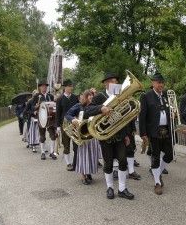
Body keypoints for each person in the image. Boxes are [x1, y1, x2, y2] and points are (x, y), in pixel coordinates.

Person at [83, 72, 134, 200]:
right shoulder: (99, 96)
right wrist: (101, 108)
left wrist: (127, 134)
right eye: (111, 81)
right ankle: (110, 187)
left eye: (116, 81)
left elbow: (125, 116)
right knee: (108, 162)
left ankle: (122, 188)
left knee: (123, 160)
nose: (114, 83)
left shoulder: (120, 95)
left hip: (120, 134)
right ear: (105, 83)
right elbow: (87, 111)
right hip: (105, 135)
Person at [139, 72, 173, 195]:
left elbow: (169, 110)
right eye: (158, 82)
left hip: (166, 130)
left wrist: (172, 114)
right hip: (153, 131)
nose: (161, 84)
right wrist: (143, 133)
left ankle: (157, 172)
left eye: (162, 82)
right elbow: (142, 116)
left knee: (169, 155)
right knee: (155, 156)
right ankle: (157, 182)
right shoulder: (146, 96)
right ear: (152, 83)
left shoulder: (166, 95)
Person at [65, 89, 101, 185]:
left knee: (92, 154)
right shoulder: (79, 106)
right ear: (85, 96)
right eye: (89, 95)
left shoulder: (94, 106)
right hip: (82, 134)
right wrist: (72, 119)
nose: (91, 96)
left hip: (92, 133)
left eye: (92, 95)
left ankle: (89, 172)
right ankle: (83, 176)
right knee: (83, 155)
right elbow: (67, 114)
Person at [56, 79, 79, 171]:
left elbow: (78, 109)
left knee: (76, 143)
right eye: (69, 86)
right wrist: (58, 126)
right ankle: (68, 163)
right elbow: (58, 113)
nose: (71, 88)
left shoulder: (75, 97)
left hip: (74, 124)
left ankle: (76, 161)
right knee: (66, 143)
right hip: (64, 125)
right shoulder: (60, 99)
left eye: (71, 86)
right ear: (65, 87)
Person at [31, 81, 57, 160]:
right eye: (42, 86)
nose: (44, 87)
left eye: (45, 86)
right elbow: (32, 107)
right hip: (41, 118)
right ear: (40, 87)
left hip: (50, 118)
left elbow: (53, 106)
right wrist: (36, 107)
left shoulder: (50, 96)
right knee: (42, 136)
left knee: (53, 136)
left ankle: (52, 152)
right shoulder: (36, 96)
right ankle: (42, 152)